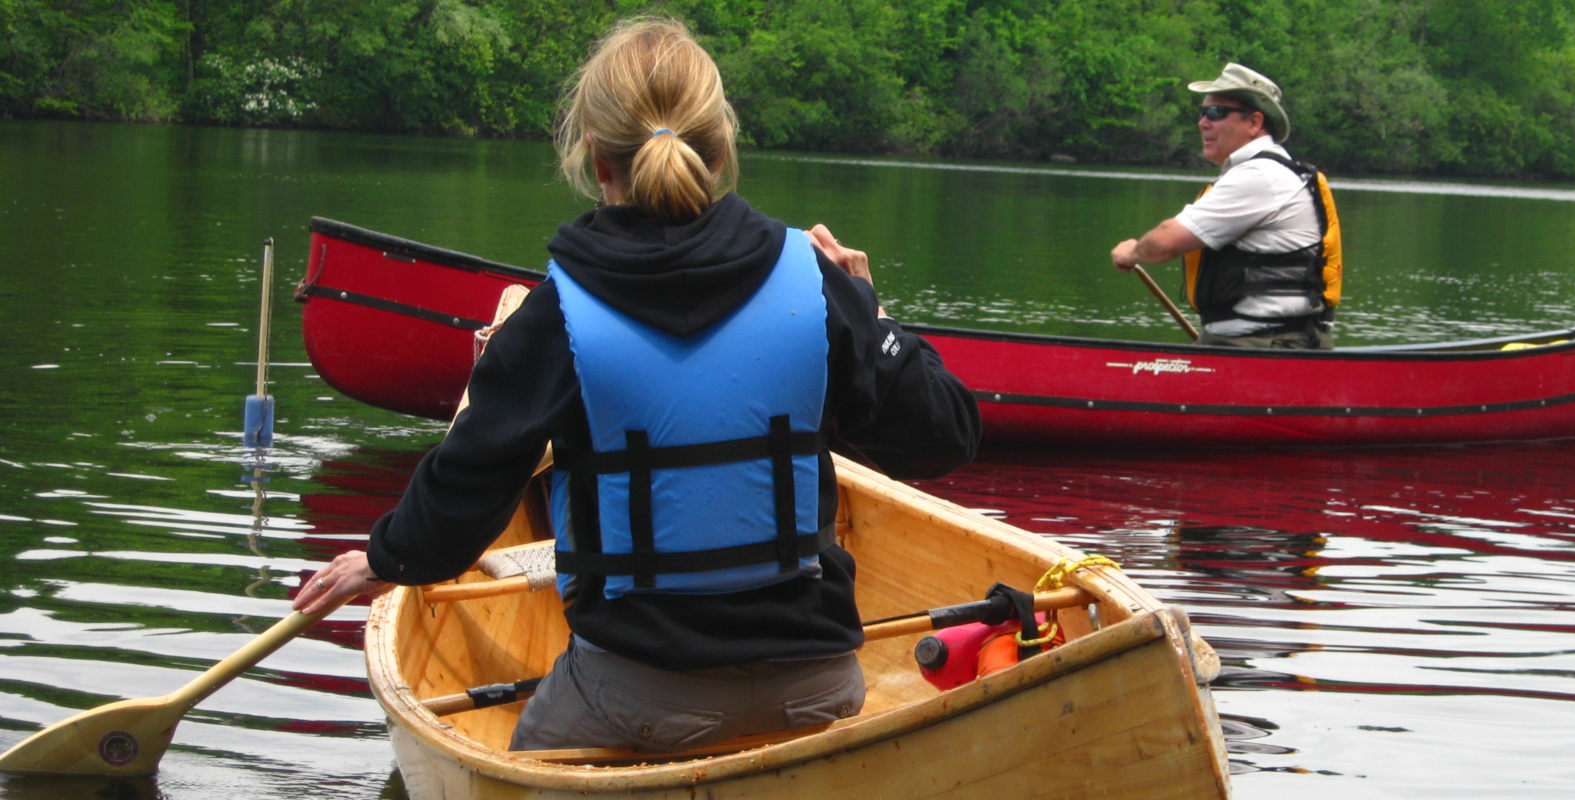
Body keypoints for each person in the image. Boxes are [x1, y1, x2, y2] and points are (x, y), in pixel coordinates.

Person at [292, 15, 980, 754]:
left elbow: (466, 489)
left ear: (596, 158)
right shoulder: (811, 281)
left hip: (638, 695)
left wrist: (386, 558)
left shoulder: (559, 312)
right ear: (721, 149)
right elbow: (944, 435)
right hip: (817, 690)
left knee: (524, 752)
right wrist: (874, 313)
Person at [1109, 62, 1343, 349]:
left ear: (1254, 123)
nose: (1203, 122)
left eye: (1216, 113)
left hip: (1268, 346)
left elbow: (1165, 241)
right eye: (1202, 112)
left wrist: (1132, 251)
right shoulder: (1261, 172)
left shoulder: (1260, 176)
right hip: (1248, 343)